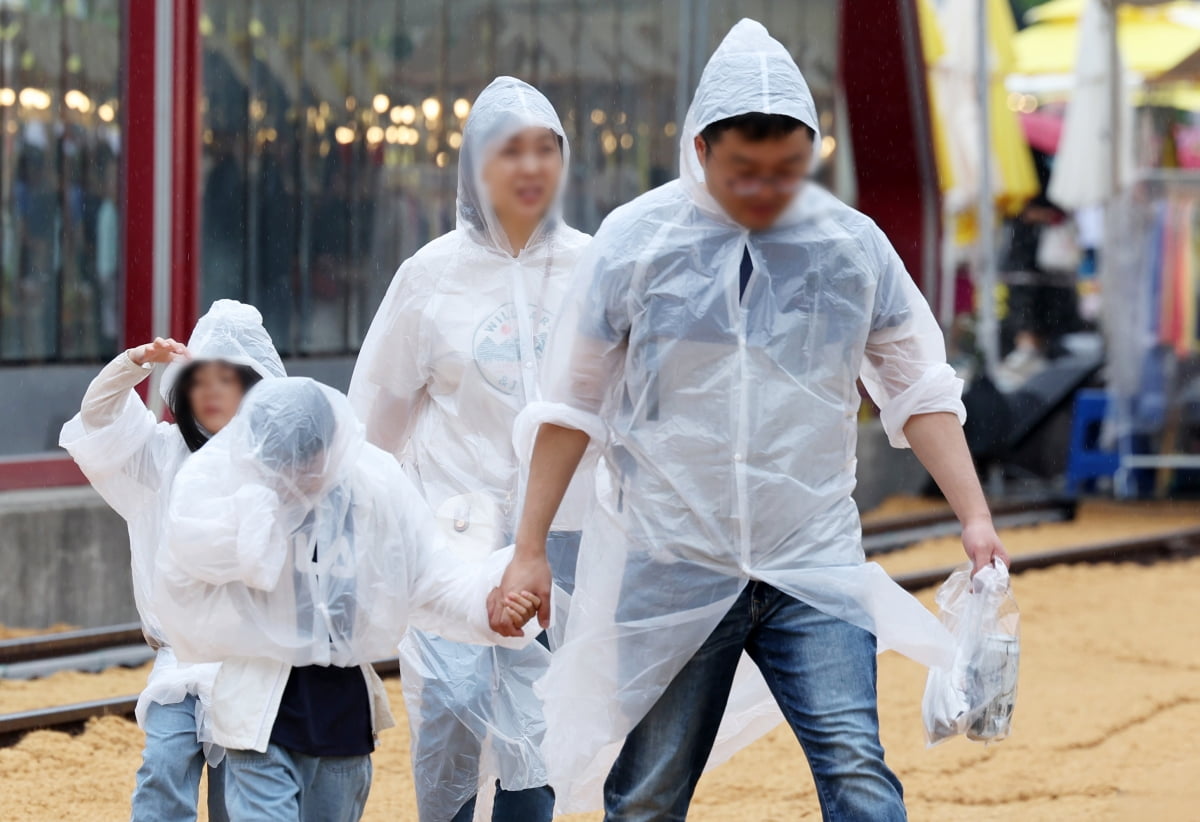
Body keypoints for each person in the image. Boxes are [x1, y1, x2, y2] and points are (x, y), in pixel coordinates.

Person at [489, 19, 1011, 821]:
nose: (767, 189)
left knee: (858, 773)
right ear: (701, 150)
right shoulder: (636, 245)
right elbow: (570, 410)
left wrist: (974, 517)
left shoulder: (850, 247)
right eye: (745, 170)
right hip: (673, 557)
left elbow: (920, 390)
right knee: (649, 793)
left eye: (786, 169)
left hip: (813, 559)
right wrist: (529, 550)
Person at [348, 76, 593, 822]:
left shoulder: (595, 268)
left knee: (541, 729)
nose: (529, 167)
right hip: (454, 537)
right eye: (508, 150)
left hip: (564, 542)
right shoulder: (430, 279)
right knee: (454, 715)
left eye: (545, 148)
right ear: (475, 167)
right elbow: (372, 431)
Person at [152, 377, 541, 822]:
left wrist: (490, 605)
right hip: (258, 714)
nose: (297, 472)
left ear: (331, 449)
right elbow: (190, 561)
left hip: (343, 718)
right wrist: (258, 519)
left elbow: (430, 579)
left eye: (308, 455)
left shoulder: (371, 497)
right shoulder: (232, 497)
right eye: (281, 456)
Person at [59, 299, 286, 822]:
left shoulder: (278, 466)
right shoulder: (159, 457)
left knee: (239, 799)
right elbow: (100, 419)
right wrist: (134, 361)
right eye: (203, 381)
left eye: (232, 382)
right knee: (163, 768)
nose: (215, 395)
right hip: (178, 660)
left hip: (254, 664)